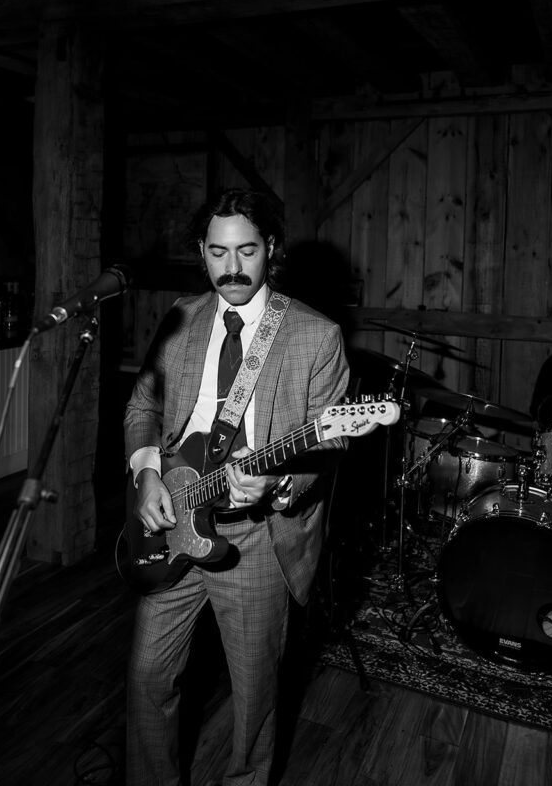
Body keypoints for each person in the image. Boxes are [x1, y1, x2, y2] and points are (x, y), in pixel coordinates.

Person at [123, 187, 349, 786]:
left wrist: (275, 484)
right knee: (148, 677)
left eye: (246, 251)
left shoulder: (315, 335)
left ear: (269, 250)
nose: (232, 268)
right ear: (202, 252)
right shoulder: (181, 317)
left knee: (255, 701)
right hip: (171, 518)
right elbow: (143, 403)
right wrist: (147, 473)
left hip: (255, 541)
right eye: (218, 253)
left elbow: (329, 443)